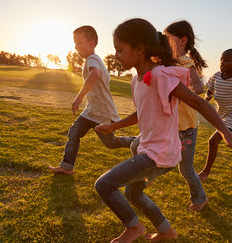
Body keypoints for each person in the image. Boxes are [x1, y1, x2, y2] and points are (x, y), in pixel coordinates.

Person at [94, 18, 232, 243]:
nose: (117, 55)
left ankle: (133, 227)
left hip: (159, 153)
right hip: (149, 149)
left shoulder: (161, 75)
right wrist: (113, 126)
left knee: (104, 184)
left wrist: (225, 132)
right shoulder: (137, 80)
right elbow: (141, 114)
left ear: (139, 49)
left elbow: (199, 103)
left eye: (120, 50)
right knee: (133, 193)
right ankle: (167, 231)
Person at [130, 20, 208, 211]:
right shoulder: (164, 61)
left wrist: (179, 91)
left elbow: (198, 87)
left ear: (182, 40)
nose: (164, 41)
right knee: (136, 145)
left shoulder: (186, 63)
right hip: (166, 125)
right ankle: (147, 177)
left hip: (185, 127)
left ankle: (200, 199)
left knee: (185, 168)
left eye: (167, 38)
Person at [49, 25, 134, 175]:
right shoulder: (95, 60)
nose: (76, 47)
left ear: (92, 43)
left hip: (103, 113)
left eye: (80, 43)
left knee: (111, 143)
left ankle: (138, 142)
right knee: (74, 132)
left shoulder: (92, 59)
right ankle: (67, 166)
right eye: (75, 43)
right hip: (91, 111)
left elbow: (93, 75)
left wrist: (78, 98)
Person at [198, 49, 232, 181]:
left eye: (227, 60)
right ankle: (206, 173)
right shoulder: (217, 76)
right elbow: (209, 90)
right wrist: (206, 99)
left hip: (231, 118)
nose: (223, 62)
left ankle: (205, 173)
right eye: (222, 59)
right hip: (222, 117)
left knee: (213, 141)